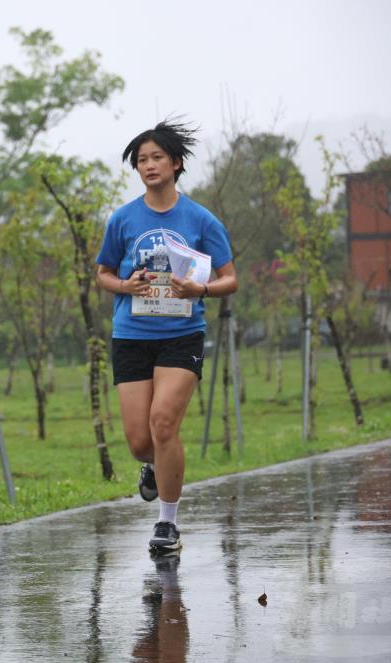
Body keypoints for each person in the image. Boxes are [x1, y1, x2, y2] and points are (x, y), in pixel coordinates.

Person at [94, 120, 237, 552]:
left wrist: (201, 290)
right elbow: (102, 273)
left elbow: (230, 278)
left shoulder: (200, 219)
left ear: (176, 164)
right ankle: (152, 467)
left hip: (181, 335)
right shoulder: (122, 219)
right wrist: (126, 286)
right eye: (141, 160)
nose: (149, 165)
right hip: (132, 335)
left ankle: (168, 525)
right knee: (141, 441)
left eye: (157, 157)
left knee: (163, 424)